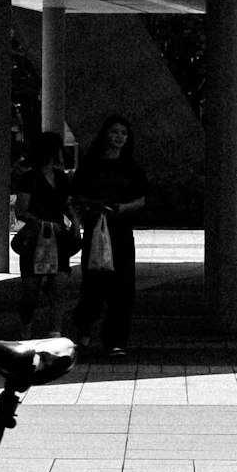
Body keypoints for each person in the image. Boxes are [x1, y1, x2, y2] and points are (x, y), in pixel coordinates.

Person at [67, 111, 152, 359]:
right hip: (95, 230)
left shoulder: (131, 167)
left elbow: (143, 198)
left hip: (121, 231)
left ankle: (116, 341)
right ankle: (83, 321)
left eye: (124, 133)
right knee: (94, 284)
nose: (119, 137)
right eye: (115, 132)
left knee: (123, 288)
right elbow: (73, 197)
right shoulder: (91, 164)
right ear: (106, 134)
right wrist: (81, 216)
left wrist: (123, 208)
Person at [11, 128, 74, 336]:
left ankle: (54, 334)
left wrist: (75, 222)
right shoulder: (30, 178)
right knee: (31, 292)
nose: (62, 153)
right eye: (59, 148)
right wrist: (44, 223)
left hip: (58, 239)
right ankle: (25, 330)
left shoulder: (61, 178)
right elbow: (21, 210)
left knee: (60, 288)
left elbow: (67, 204)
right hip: (35, 239)